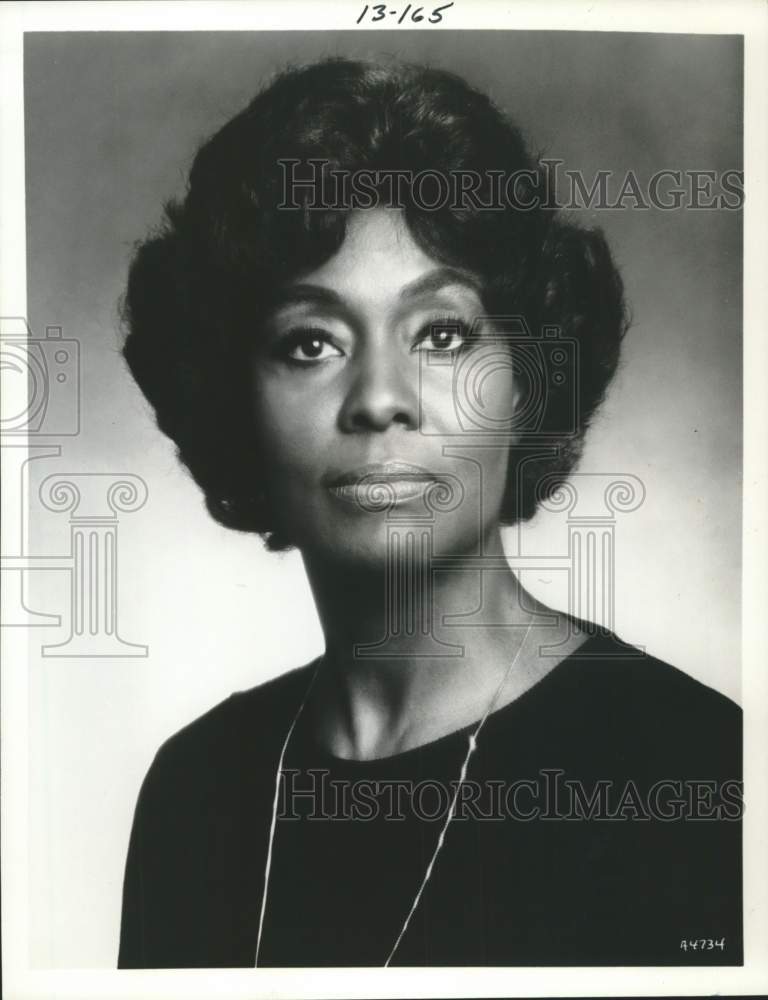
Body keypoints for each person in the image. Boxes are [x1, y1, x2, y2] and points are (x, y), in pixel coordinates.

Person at [117, 57, 742, 969]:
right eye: (311, 342)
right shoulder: (196, 788)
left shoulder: (693, 768)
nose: (379, 398)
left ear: (530, 379)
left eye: (442, 335)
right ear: (230, 397)